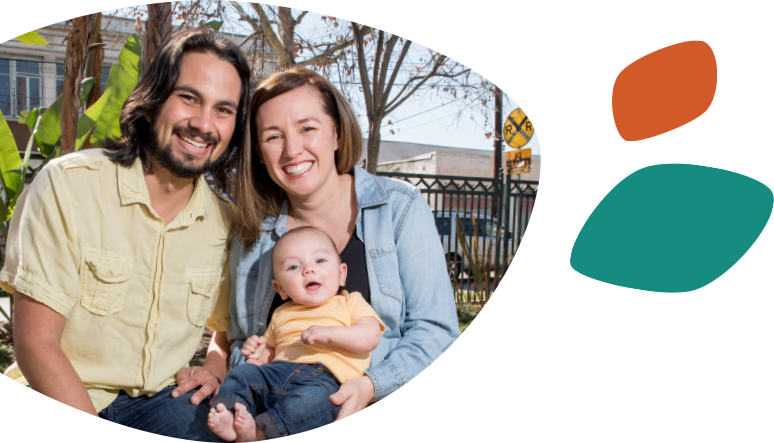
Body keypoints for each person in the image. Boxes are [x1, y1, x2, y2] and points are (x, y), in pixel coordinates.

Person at [1, 28, 251, 441]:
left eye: (223, 110)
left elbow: (222, 330)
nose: (203, 124)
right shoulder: (68, 186)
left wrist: (215, 366)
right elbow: (35, 344)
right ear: (153, 103)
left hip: (162, 401)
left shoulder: (225, 222)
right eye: (188, 98)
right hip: (63, 388)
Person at [227, 67, 461, 420]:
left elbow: (435, 331)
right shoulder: (251, 233)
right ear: (259, 152)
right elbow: (239, 340)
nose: (292, 150)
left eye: (307, 128)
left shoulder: (400, 207)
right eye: (273, 136)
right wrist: (255, 359)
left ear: (336, 133)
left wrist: (371, 384)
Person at [208, 226, 385, 441]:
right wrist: (257, 353)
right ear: (279, 288)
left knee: (313, 403)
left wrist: (330, 334)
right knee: (243, 373)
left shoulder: (350, 302)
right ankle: (228, 413)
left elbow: (370, 336)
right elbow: (270, 353)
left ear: (342, 273)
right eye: (293, 266)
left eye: (320, 261)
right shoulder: (282, 314)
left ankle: (259, 432)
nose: (308, 269)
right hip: (278, 372)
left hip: (326, 379)